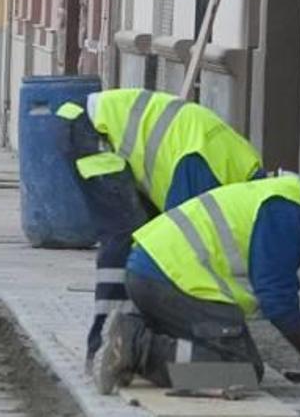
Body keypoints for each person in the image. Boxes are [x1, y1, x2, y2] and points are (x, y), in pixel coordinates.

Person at [94, 149, 300, 394]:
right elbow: (276, 297)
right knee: (241, 371)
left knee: (229, 352)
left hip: (154, 271)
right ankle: (138, 348)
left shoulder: (280, 192)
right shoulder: (287, 212)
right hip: (170, 278)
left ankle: (137, 337)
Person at [54, 88, 265, 371]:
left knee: (148, 241)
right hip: (90, 129)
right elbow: (179, 252)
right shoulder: (207, 171)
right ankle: (103, 345)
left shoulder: (240, 176)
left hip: (98, 128)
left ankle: (132, 339)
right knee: (125, 236)